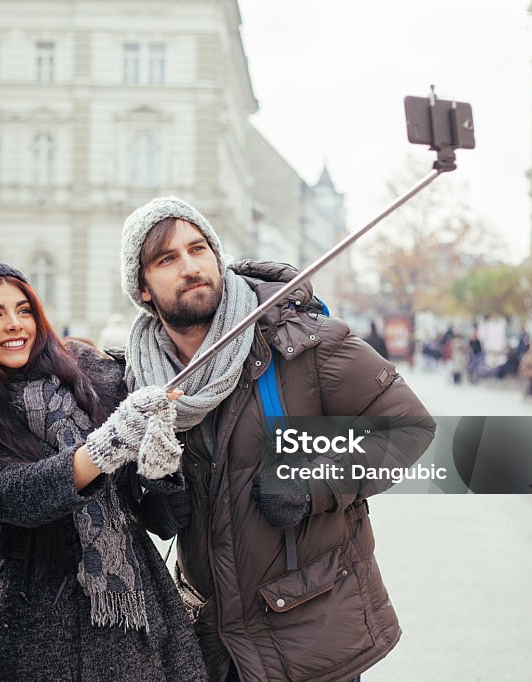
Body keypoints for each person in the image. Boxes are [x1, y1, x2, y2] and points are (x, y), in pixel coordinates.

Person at [119, 197, 437, 682]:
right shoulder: (142, 381)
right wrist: (155, 500)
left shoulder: (303, 343)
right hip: (217, 644)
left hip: (312, 633)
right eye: (167, 259)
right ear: (142, 288)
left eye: (198, 249)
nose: (190, 267)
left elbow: (409, 427)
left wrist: (311, 481)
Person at [0, 258, 206, 680]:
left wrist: (158, 467)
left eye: (24, 309)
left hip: (141, 617)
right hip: (36, 624)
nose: (14, 324)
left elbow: (164, 521)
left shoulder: (91, 374)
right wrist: (107, 446)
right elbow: (11, 494)